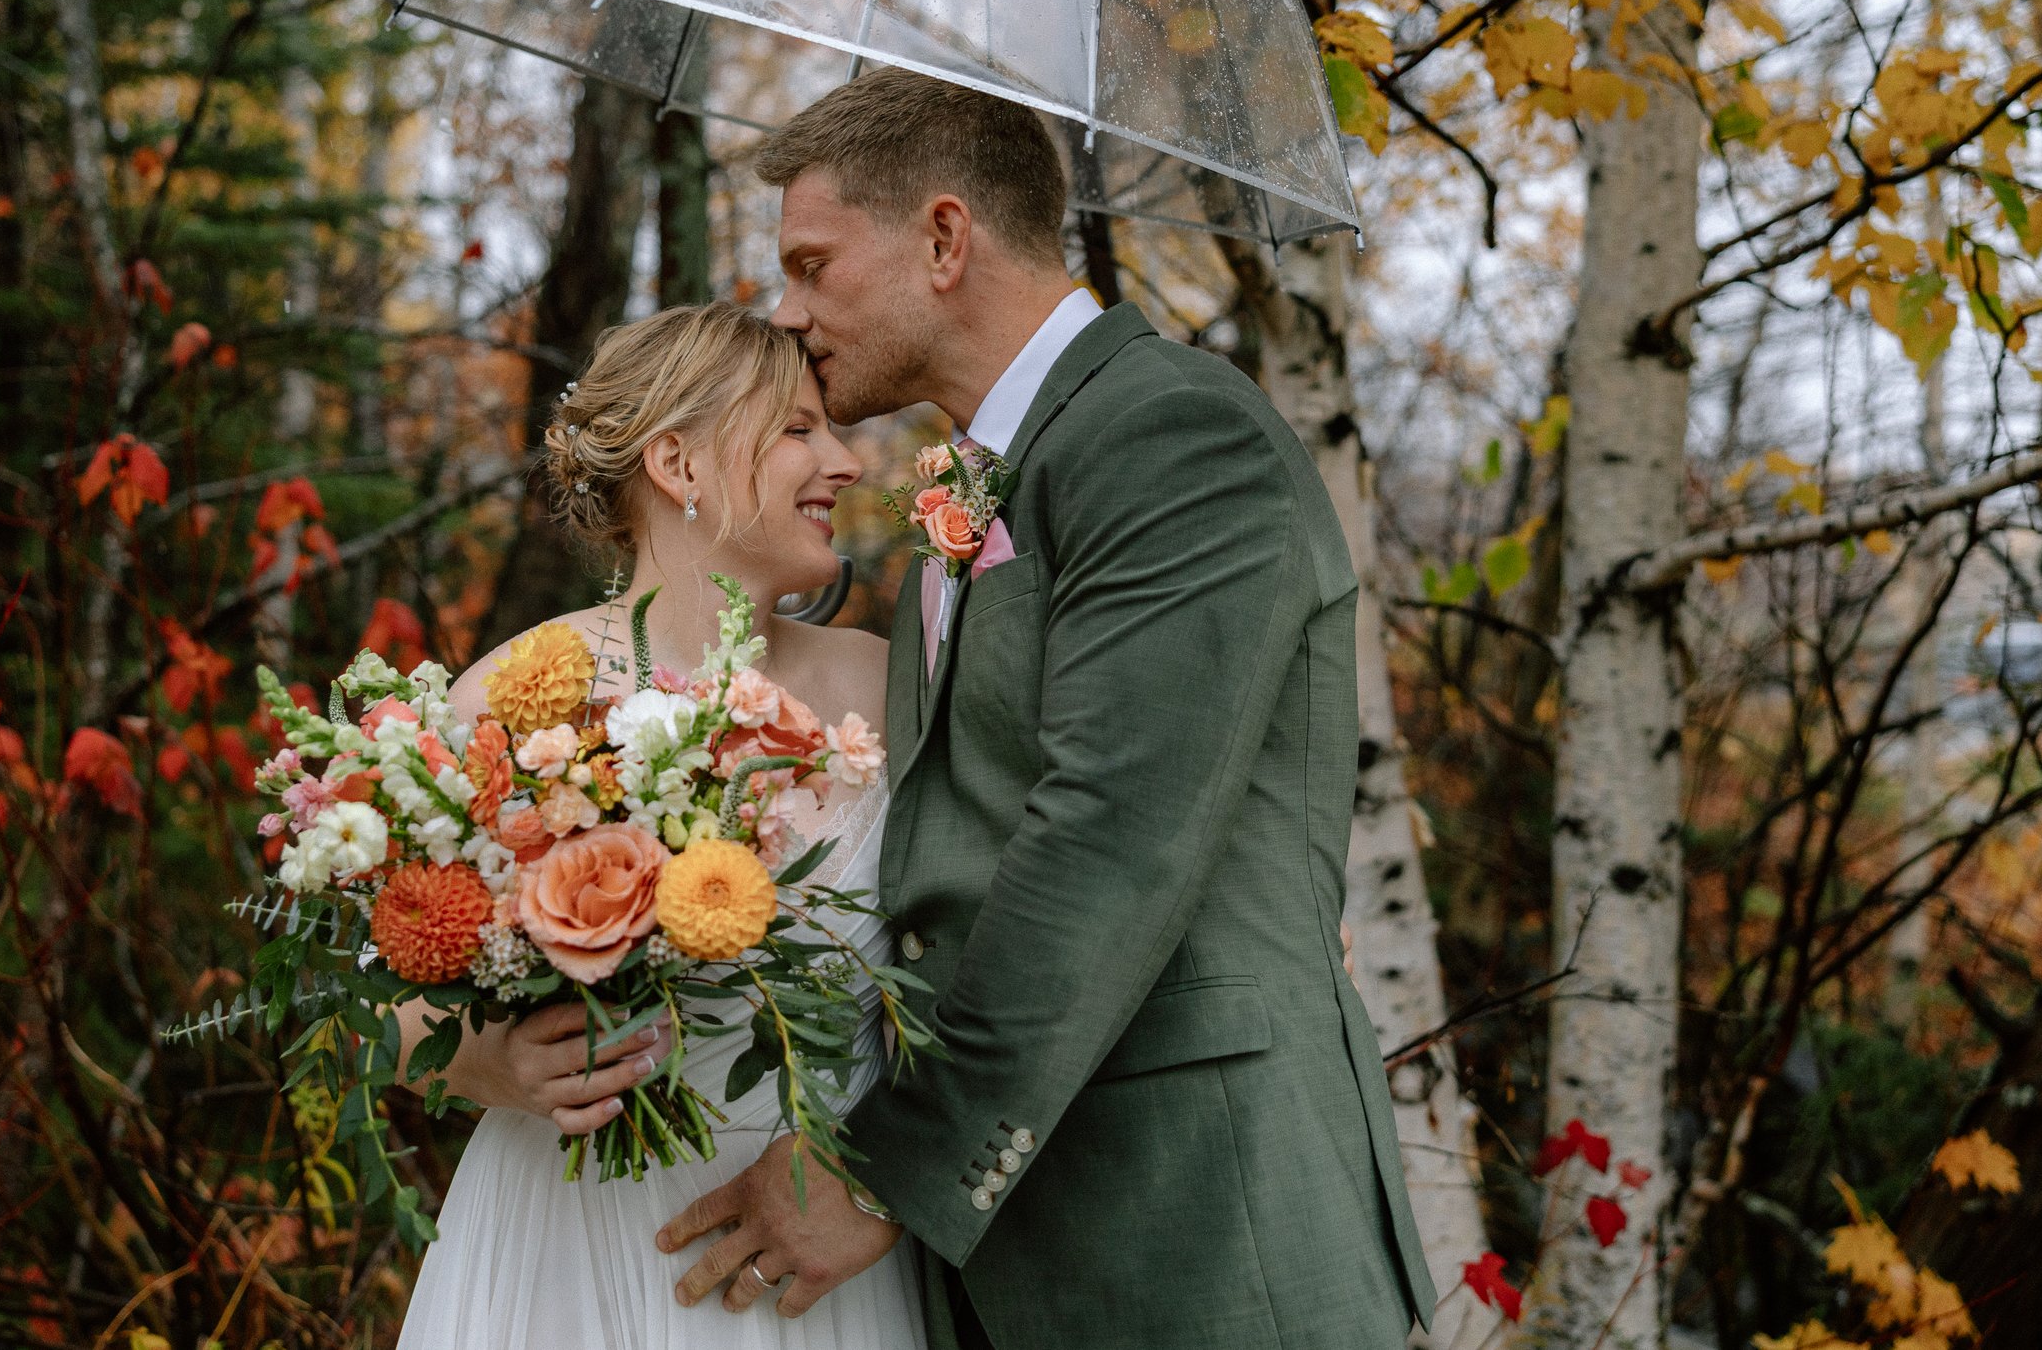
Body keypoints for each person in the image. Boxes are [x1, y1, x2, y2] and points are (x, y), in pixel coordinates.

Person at [655, 68, 1437, 1350]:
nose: (788, 313)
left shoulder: (1171, 435)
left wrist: (879, 1166)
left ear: (945, 239)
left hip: (1199, 1222)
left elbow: (1112, 832)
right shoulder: (968, 494)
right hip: (1012, 1254)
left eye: (810, 263)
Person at [393, 300, 925, 1349]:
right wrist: (487, 1063)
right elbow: (385, 996)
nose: (846, 460)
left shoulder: (888, 684)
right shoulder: (516, 696)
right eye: (798, 428)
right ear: (677, 461)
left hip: (820, 1251)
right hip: (569, 1254)